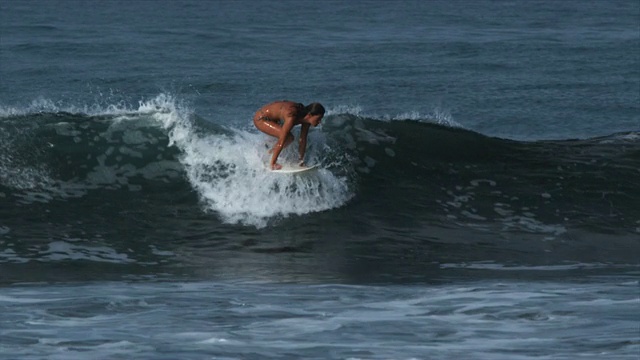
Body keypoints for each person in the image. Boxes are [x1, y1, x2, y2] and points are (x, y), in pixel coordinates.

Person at [253, 100, 325, 170]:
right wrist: (273, 164)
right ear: (309, 115)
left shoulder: (307, 121)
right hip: (261, 118)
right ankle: (271, 160)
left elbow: (302, 140)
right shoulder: (292, 116)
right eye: (319, 118)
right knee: (288, 137)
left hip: (274, 118)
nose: (320, 122)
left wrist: (301, 162)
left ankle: (268, 154)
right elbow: (282, 141)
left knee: (288, 137)